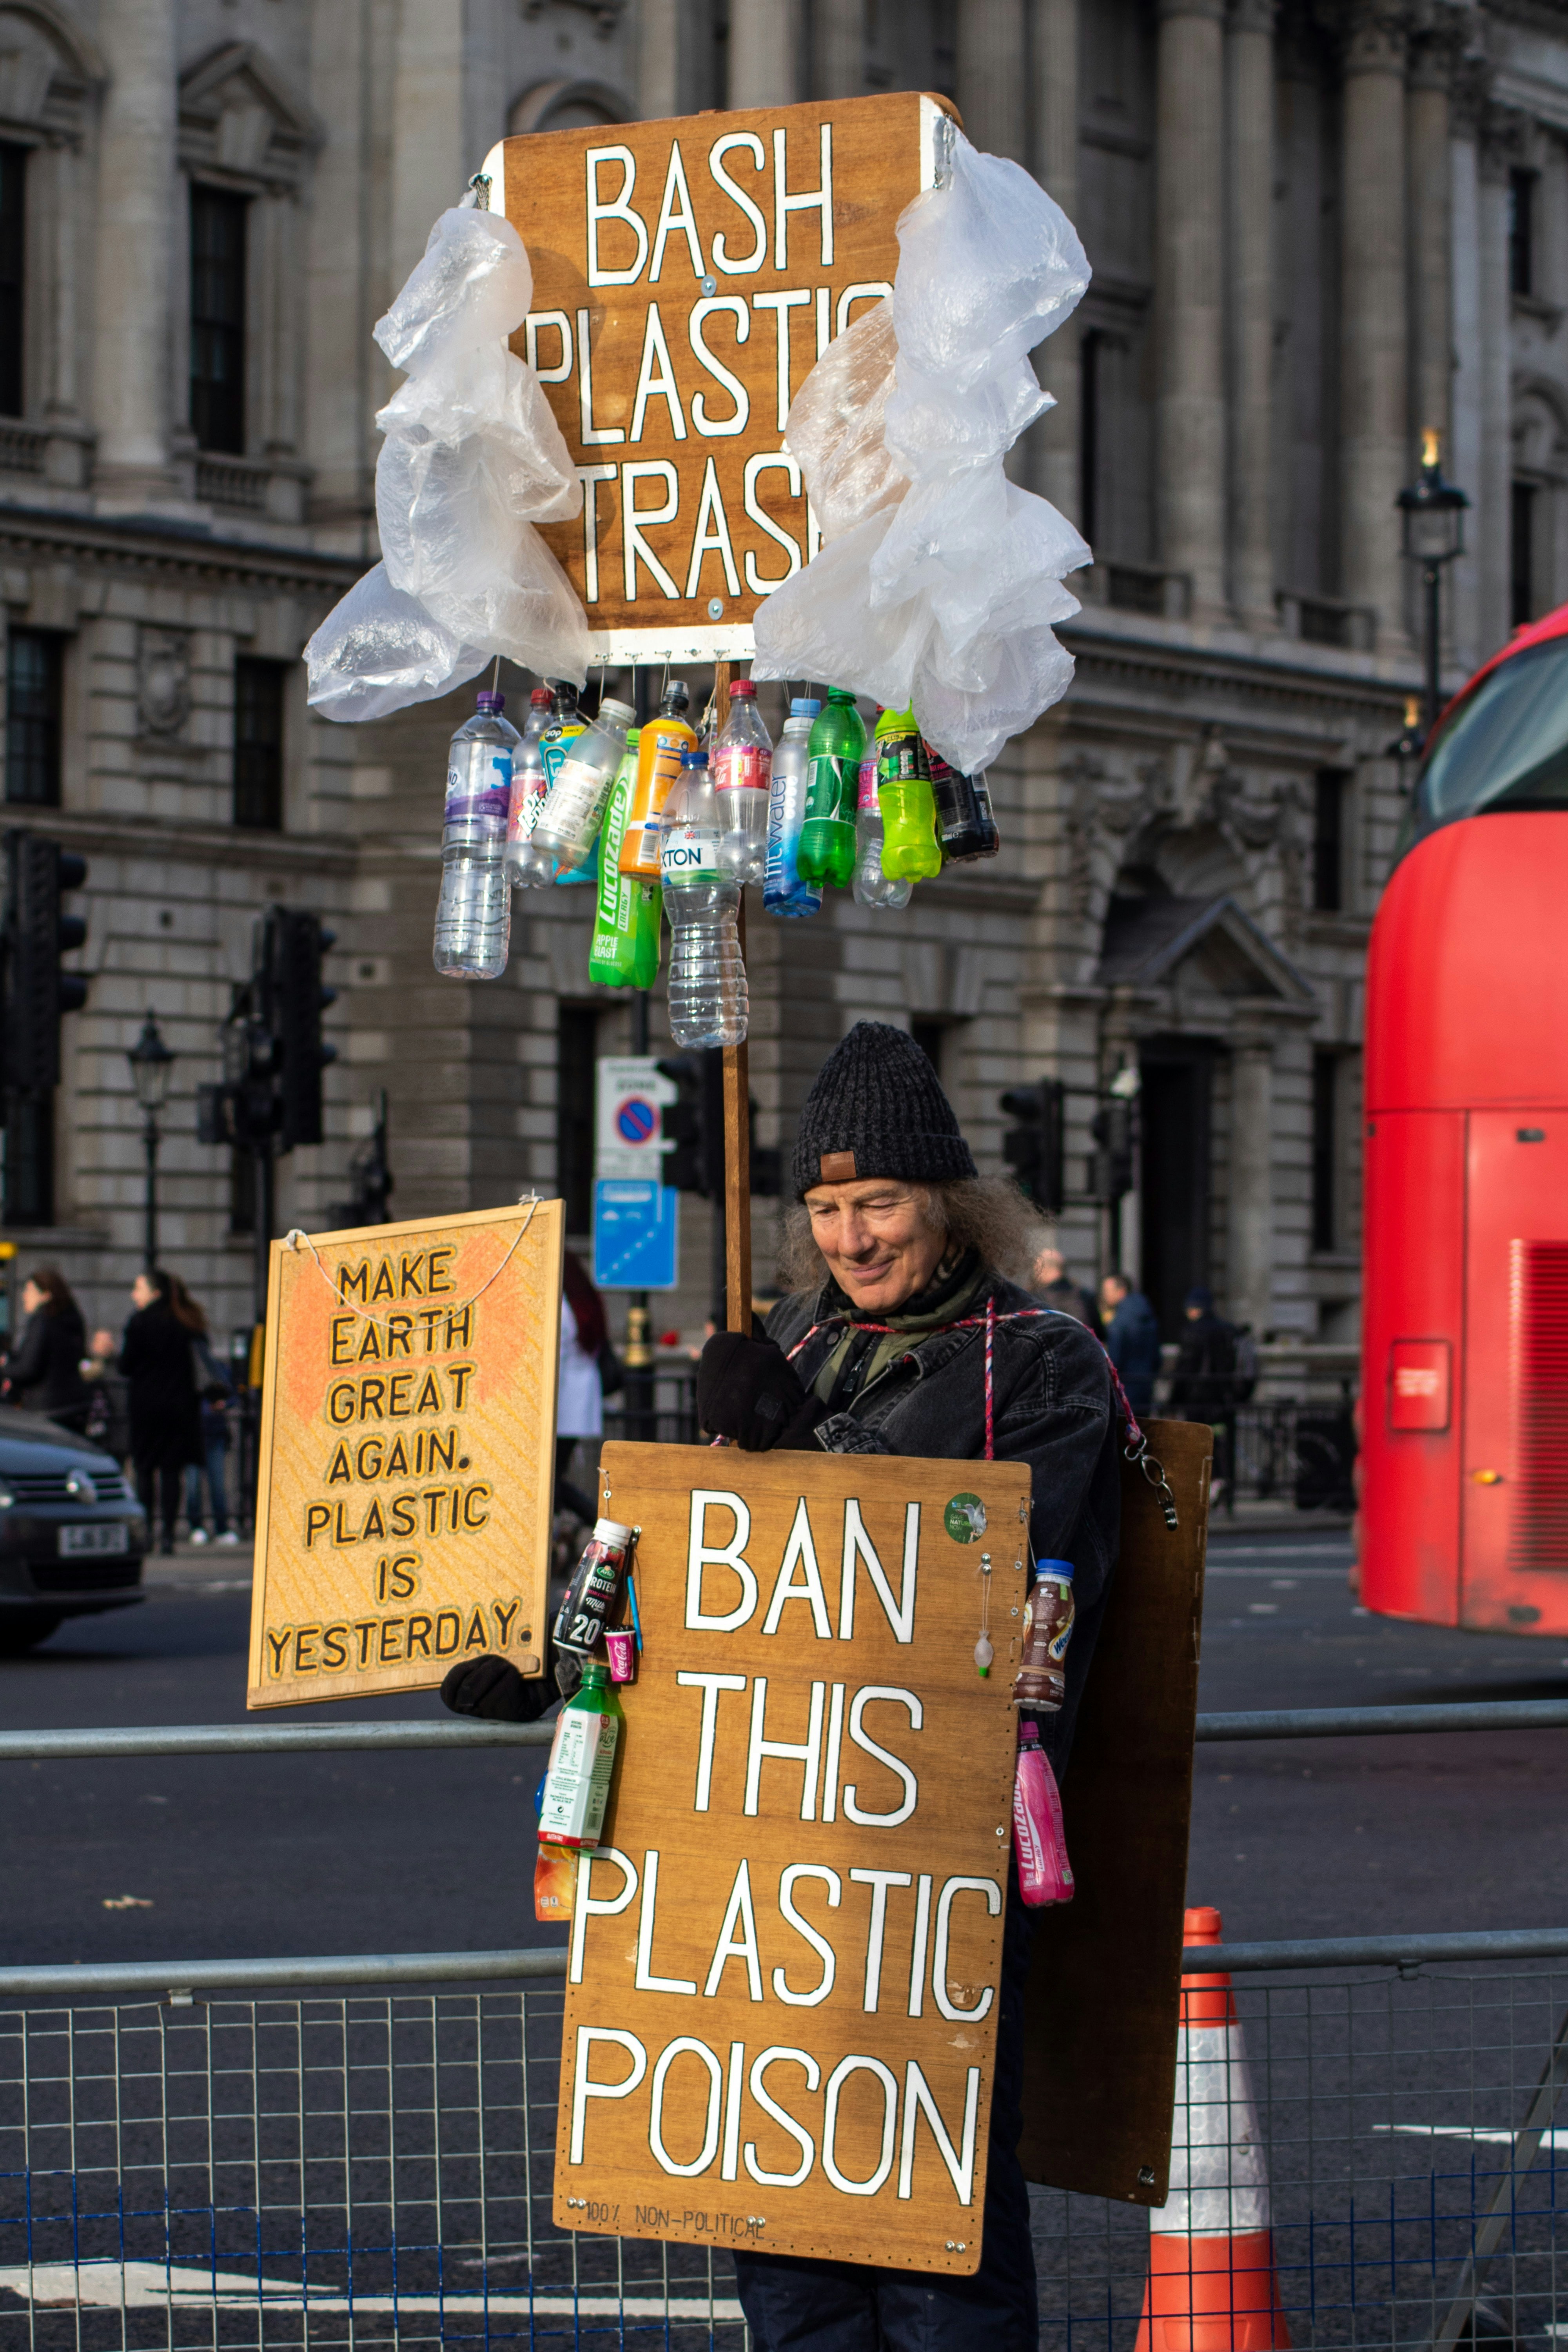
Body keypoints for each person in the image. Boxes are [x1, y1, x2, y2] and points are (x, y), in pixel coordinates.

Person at [441, 1021, 1122, 2352]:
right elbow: (688, 1573)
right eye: (824, 1208)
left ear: (949, 1203)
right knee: (786, 2261)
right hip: (752, 1874)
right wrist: (544, 1656)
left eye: (879, 1204)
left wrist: (803, 1436)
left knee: (940, 2253)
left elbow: (969, 1568)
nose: (851, 1239)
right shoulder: (792, 1342)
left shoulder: (1038, 1362)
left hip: (929, 1866)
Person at [118, 1269, 202, 1556]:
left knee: (144, 1471)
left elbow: (125, 1365)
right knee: (171, 1472)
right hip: (179, 1408)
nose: (134, 1295)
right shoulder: (184, 1322)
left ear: (155, 1293)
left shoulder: (139, 1322)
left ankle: (147, 1531)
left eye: (139, 1288)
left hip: (146, 1407)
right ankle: (168, 1533)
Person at [169, 1276, 238, 1546]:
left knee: (208, 1482)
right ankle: (207, 1525)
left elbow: (223, 1386)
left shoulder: (203, 1363)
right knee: (201, 1483)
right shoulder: (201, 1351)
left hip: (206, 1424)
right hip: (203, 1423)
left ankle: (214, 1526)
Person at [0, 1267, 92, 1432]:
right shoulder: (72, 1318)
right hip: (75, 1405)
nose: (24, 1296)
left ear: (46, 1295)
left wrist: (5, 1369)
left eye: (29, 1291)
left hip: (47, 1407)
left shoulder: (42, 1320)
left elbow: (28, 1368)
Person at [557, 1249, 607, 1521]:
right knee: (554, 1478)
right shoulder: (584, 1301)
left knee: (550, 1481)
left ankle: (597, 1520)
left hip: (563, 1403)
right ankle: (591, 1520)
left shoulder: (563, 1305)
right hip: (578, 1402)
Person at [1098, 1270, 1162, 1423]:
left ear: (1121, 1291)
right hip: (1146, 1384)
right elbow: (1156, 1356)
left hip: (1126, 1386)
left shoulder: (1120, 1320)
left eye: (1107, 1291)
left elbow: (1115, 1359)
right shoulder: (1146, 1313)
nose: (1104, 1296)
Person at [1031, 1241, 1097, 1328]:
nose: (1035, 1275)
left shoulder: (1035, 1298)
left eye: (1037, 1270)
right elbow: (1099, 1332)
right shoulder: (1085, 1295)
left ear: (1045, 1269)